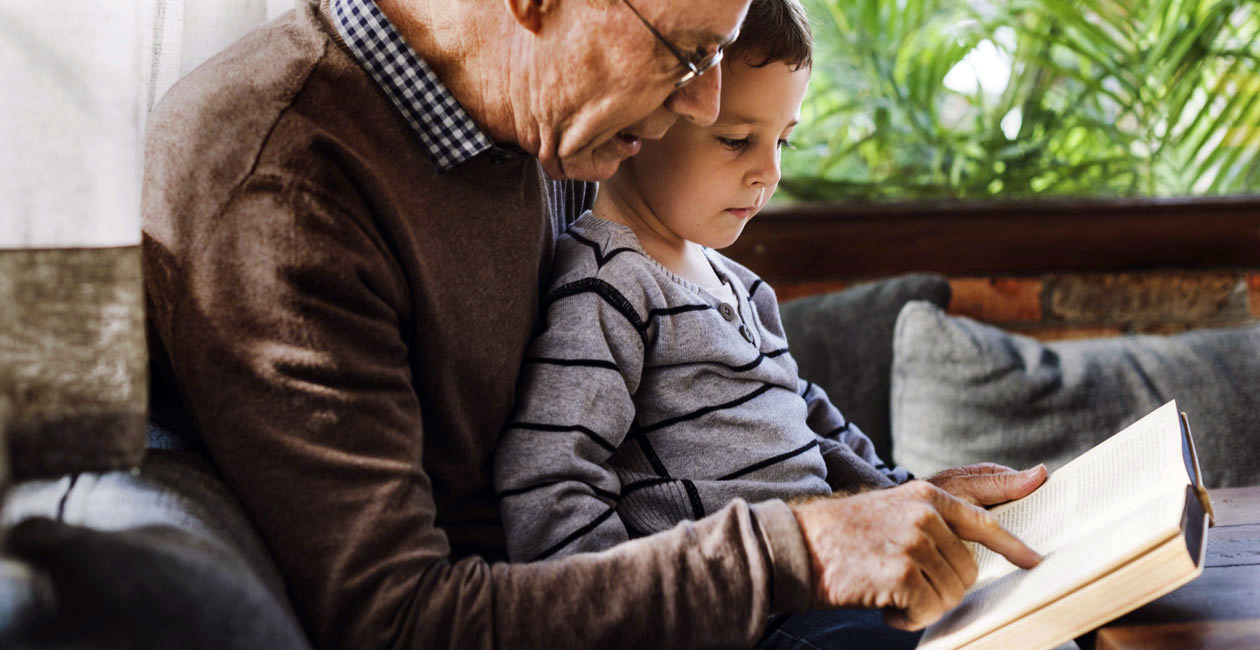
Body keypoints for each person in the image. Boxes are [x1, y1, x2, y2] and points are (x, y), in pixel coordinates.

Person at [140, 0, 1047, 648]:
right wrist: (796, 547)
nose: (699, 106)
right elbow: (395, 620)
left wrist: (891, 500)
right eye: (687, 53)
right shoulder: (282, 182)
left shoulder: (553, 120)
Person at [492, 1, 1045, 645]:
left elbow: (810, 418)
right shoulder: (608, 285)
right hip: (754, 621)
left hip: (831, 589)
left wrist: (916, 499)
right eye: (737, 140)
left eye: (782, 141)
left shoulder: (739, 284)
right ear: (651, 113)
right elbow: (549, 478)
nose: (770, 172)